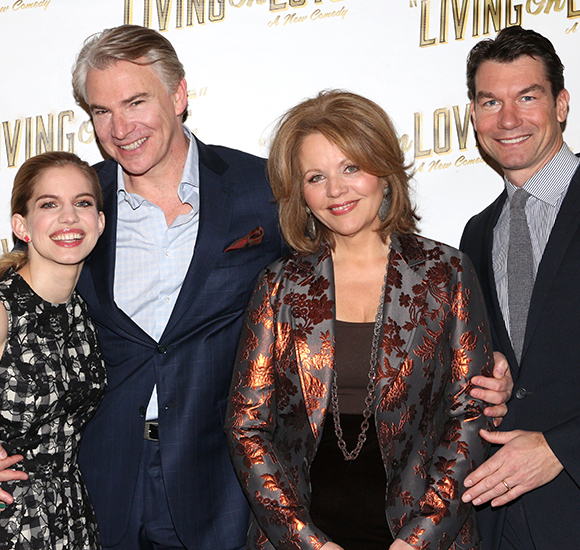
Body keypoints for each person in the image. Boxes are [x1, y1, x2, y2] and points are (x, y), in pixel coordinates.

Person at [225, 90, 496, 550]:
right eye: (316, 176)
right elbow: (246, 423)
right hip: (304, 534)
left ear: (384, 170)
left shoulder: (445, 273)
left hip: (422, 534)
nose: (336, 190)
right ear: (301, 194)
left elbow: (469, 417)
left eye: (351, 167)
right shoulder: (279, 285)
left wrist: (419, 539)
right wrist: (306, 541)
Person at [68, 24, 287, 550]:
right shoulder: (76, 200)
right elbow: (24, 313)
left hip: (224, 478)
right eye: (101, 111)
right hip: (102, 476)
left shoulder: (263, 189)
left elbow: (347, 283)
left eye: (135, 102)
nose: (120, 128)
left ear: (179, 95)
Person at [459, 26, 580, 550]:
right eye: (491, 101)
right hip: (506, 520)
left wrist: (562, 449)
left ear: (561, 104)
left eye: (527, 97)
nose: (509, 120)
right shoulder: (476, 234)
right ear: (473, 116)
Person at [0, 151, 106, 548]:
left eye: (82, 203)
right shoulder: (3, 307)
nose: (68, 218)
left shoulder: (84, 313)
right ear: (21, 225)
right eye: (49, 204)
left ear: (99, 222)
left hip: (72, 518)